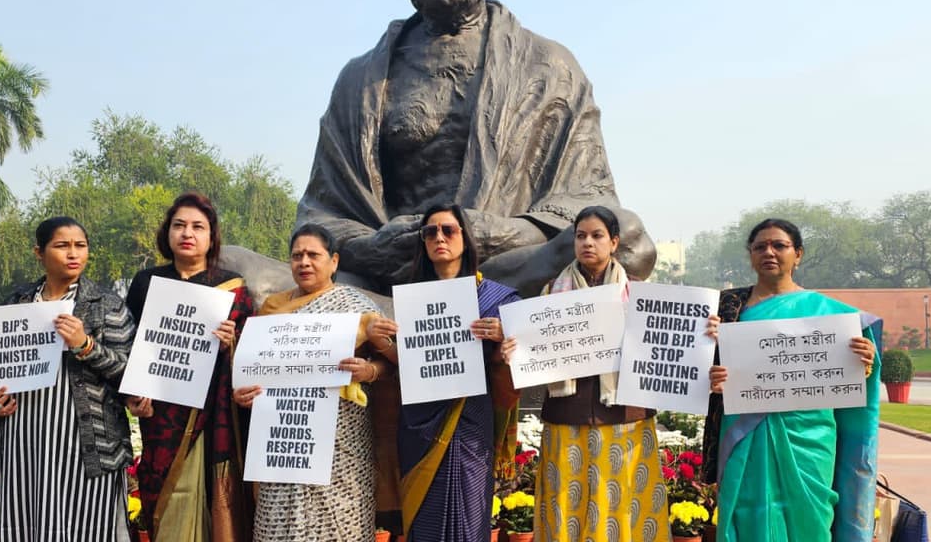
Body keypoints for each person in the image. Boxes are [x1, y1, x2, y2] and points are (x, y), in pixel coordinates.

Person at [222, 0, 655, 300]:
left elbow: (588, 205)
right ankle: (410, 312)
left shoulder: (551, 68)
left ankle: (419, 313)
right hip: (389, 278)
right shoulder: (360, 82)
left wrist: (484, 234)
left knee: (626, 233)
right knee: (231, 266)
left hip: (504, 271)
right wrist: (377, 246)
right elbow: (318, 220)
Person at [701, 219, 881, 542]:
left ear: (798, 254)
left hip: (810, 436)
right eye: (760, 247)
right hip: (744, 433)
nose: (768, 252)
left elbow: (853, 376)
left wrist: (864, 360)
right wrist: (712, 375)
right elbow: (702, 373)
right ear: (751, 255)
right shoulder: (726, 310)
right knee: (746, 514)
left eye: (779, 245)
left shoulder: (825, 311)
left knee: (810, 519)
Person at [502, 205, 669, 542]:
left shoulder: (640, 294)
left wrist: (702, 333)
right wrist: (515, 351)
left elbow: (667, 343)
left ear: (614, 242)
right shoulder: (552, 293)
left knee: (623, 505)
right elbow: (536, 348)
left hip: (627, 418)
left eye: (597, 236)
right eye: (581, 236)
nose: (587, 243)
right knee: (567, 505)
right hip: (567, 417)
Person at [362, 203, 521, 541]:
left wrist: (504, 335)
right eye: (430, 232)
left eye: (448, 230)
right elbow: (407, 362)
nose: (439, 238)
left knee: (469, 517)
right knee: (426, 521)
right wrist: (380, 343)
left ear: (465, 237)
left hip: (470, 424)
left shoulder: (494, 299)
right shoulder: (412, 300)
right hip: (419, 428)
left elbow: (519, 356)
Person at [0, 216, 136, 541]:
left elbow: (130, 372)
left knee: (91, 530)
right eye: (62, 246)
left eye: (80, 246)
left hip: (88, 447)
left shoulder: (107, 305)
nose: (73, 253)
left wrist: (86, 345)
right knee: (20, 526)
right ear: (39, 252)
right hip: (20, 445)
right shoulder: (17, 304)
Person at [233, 224, 391, 541]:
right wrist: (243, 394)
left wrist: (369, 371)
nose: (304, 262)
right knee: (277, 524)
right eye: (297, 256)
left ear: (334, 261)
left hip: (341, 443)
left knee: (340, 526)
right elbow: (251, 372)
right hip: (283, 440)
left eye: (313, 255)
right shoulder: (272, 310)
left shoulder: (356, 306)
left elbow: (390, 365)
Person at [124, 192, 255, 542]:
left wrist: (231, 343)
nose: (187, 233)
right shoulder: (146, 283)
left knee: (214, 499)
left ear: (211, 236)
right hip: (162, 417)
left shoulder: (233, 287)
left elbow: (252, 355)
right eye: (179, 225)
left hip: (216, 418)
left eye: (198, 227)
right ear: (167, 232)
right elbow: (128, 346)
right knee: (167, 501)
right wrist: (132, 396)